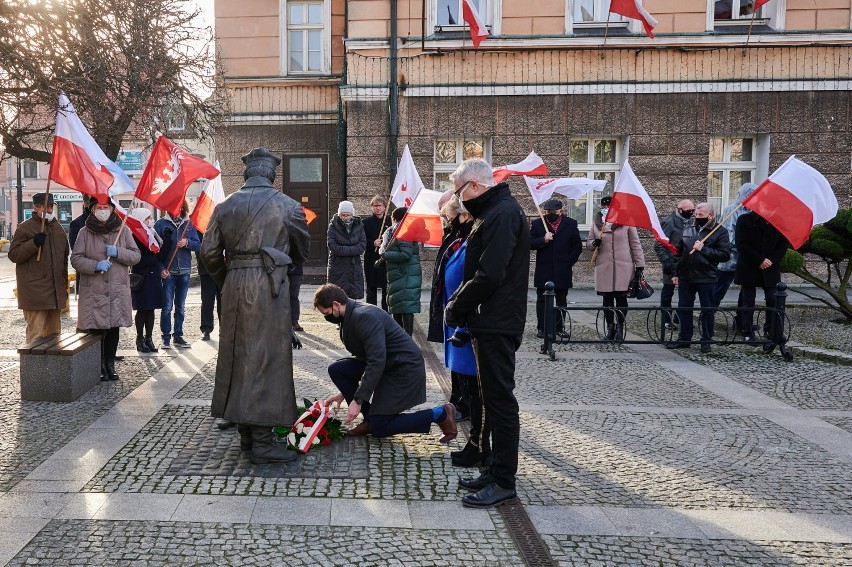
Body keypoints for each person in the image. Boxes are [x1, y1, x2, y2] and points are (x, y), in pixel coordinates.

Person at [200, 147, 310, 465]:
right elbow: (302, 251)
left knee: (239, 357)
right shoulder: (288, 206)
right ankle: (261, 441)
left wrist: (229, 279)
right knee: (267, 359)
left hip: (234, 285)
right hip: (269, 288)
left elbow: (208, 253)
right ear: (271, 173)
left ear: (248, 173)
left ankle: (248, 433)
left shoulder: (224, 206)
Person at [443, 158, 530, 509]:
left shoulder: (502, 213)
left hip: (497, 322)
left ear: (475, 186)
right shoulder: (492, 212)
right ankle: (493, 469)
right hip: (488, 322)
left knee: (500, 403)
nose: (457, 197)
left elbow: (489, 274)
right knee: (491, 401)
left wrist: (456, 306)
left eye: (458, 190)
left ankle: (504, 480)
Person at [314, 283, 457, 443]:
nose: (327, 317)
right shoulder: (350, 314)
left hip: (402, 369)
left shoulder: (363, 316)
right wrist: (345, 393)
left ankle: (440, 413)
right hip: (386, 364)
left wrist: (358, 400)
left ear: (336, 304)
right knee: (338, 370)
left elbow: (376, 361)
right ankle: (369, 420)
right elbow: (368, 357)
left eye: (327, 313)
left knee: (380, 428)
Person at [439, 195, 490, 468]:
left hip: (468, 325)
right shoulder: (462, 242)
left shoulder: (472, 242)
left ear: (464, 217)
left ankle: (479, 446)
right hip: (457, 323)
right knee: (468, 387)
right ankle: (475, 444)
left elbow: (472, 281)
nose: (447, 224)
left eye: (448, 218)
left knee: (477, 392)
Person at [71, 198, 140, 380]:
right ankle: (98, 364)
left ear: (111, 209)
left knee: (113, 327)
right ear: (93, 210)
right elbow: (76, 259)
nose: (102, 210)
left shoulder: (123, 230)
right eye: (99, 208)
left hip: (116, 289)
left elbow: (135, 256)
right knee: (96, 329)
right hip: (94, 289)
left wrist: (118, 252)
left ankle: (110, 363)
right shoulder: (84, 232)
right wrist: (95, 265)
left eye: (105, 207)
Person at [668, 203, 731, 353]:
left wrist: (705, 249)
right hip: (686, 276)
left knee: (708, 309)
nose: (697, 217)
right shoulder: (688, 229)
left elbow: (725, 255)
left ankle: (706, 340)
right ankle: (684, 338)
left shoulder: (720, 232)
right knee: (684, 308)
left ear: (710, 216)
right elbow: (678, 252)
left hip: (706, 276)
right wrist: (675, 272)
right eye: (696, 214)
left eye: (700, 215)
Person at [8, 192, 70, 344]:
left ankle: (53, 368)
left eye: (51, 206)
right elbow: (14, 255)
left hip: (54, 292)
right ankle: (31, 368)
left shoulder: (58, 229)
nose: (49, 210)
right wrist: (34, 244)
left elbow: (64, 261)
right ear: (35, 207)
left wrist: (64, 288)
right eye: (45, 206)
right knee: (35, 337)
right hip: (35, 293)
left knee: (55, 338)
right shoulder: (25, 228)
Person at [587, 196, 645, 342]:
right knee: (607, 300)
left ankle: (620, 327)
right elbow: (588, 244)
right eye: (604, 206)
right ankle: (610, 327)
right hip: (604, 266)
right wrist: (595, 243)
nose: (607, 208)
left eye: (609, 205)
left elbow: (635, 244)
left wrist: (640, 264)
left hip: (623, 266)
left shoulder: (626, 221)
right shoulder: (597, 224)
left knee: (621, 299)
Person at [734, 210, 789, 344]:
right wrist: (759, 260)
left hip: (770, 266)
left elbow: (783, 244)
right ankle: (747, 331)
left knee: (773, 299)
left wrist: (770, 260)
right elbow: (742, 244)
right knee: (748, 301)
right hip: (749, 265)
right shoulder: (744, 220)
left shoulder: (779, 221)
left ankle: (771, 330)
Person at [530, 198, 582, 338]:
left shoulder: (570, 224)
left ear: (560, 211)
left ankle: (559, 327)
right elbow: (529, 243)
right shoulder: (538, 224)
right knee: (542, 300)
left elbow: (577, 246)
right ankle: (542, 328)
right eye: (548, 212)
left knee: (561, 299)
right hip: (544, 268)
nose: (551, 214)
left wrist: (568, 262)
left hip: (562, 269)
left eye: (554, 211)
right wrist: (543, 240)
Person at [154, 200, 200, 349]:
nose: (176, 209)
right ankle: (165, 337)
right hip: (169, 271)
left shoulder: (189, 224)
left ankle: (178, 336)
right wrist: (161, 269)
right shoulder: (161, 224)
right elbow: (154, 250)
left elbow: (198, 245)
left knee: (180, 306)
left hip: (185, 271)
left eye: (179, 206)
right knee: (167, 307)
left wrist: (187, 242)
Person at [713, 183, 757, 307]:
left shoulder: (754, 211)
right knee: (718, 290)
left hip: (746, 258)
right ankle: (706, 319)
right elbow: (729, 235)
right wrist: (744, 247)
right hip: (729, 258)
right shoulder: (732, 209)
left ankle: (741, 321)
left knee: (746, 293)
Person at [379, 207, 421, 336]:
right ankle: (399, 339)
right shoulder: (396, 231)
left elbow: (405, 254)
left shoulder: (403, 232)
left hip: (405, 275)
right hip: (399, 275)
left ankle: (405, 340)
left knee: (405, 307)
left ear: (394, 218)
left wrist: (386, 255)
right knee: (398, 306)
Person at [655, 199, 695, 331]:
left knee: (687, 292)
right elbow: (659, 244)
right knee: (668, 292)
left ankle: (680, 316)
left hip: (685, 262)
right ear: (680, 210)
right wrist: (666, 261)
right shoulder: (669, 222)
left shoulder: (689, 221)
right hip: (671, 262)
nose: (691, 213)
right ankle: (666, 319)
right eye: (689, 211)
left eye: (693, 211)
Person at [129, 208, 163, 353]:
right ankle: (140, 339)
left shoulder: (152, 234)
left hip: (153, 276)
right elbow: (136, 259)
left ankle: (149, 338)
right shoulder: (134, 235)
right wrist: (153, 258)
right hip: (141, 277)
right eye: (148, 217)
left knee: (151, 309)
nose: (151, 220)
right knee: (142, 310)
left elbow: (159, 254)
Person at [327, 200, 366, 299]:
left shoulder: (359, 226)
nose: (345, 217)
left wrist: (345, 249)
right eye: (343, 215)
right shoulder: (332, 226)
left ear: (352, 214)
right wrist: (351, 250)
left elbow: (362, 245)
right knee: (337, 296)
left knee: (353, 297)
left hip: (354, 266)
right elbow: (332, 245)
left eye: (348, 214)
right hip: (337, 265)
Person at [363, 195, 390, 311]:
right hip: (371, 258)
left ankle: (386, 312)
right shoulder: (365, 222)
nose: (378, 208)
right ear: (372, 207)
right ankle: (371, 311)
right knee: (371, 287)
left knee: (386, 288)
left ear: (384, 207)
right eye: (375, 206)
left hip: (386, 259)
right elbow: (362, 240)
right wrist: (372, 243)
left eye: (380, 205)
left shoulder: (389, 221)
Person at [196, 232, 222, 341]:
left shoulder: (223, 223)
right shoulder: (201, 226)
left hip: (222, 268)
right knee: (207, 301)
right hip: (206, 269)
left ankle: (224, 327)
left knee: (223, 301)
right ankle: (206, 329)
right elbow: (198, 248)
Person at [288, 263, 304, 331]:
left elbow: (303, 253)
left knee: (294, 297)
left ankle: (294, 322)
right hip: (280, 268)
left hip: (295, 269)